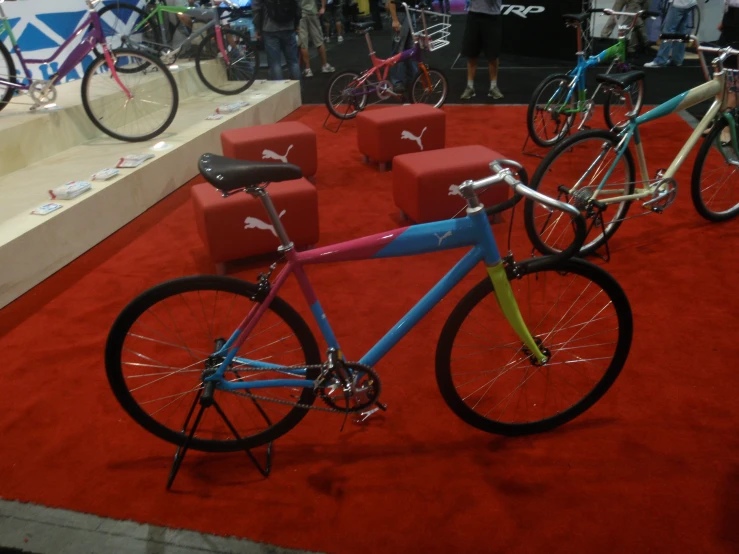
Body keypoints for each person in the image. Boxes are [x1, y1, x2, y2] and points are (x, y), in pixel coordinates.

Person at [460, 0, 502, 100]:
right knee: (472, 53)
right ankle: (469, 87)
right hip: (474, 15)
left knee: (493, 54)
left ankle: (493, 87)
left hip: (492, 16)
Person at [253, 0, 302, 80]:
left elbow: (256, 9)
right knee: (293, 62)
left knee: (275, 64)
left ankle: (279, 89)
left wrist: (257, 28)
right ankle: (297, 90)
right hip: (289, 26)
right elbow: (298, 5)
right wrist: (296, 23)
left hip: (269, 29)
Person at [644, 0, 697, 67]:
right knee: (681, 32)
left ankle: (661, 60)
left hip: (679, 4)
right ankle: (677, 60)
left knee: (668, 31)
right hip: (690, 3)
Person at [386, 0, 417, 94]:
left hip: (409, 13)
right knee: (398, 50)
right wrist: (395, 19)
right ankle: (397, 81)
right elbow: (391, 2)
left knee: (410, 49)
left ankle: (412, 77)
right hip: (400, 15)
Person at [299, 0, 336, 76]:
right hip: (312, 12)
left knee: (303, 42)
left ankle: (308, 69)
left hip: (301, 14)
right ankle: (324, 65)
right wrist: (323, 7)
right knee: (318, 40)